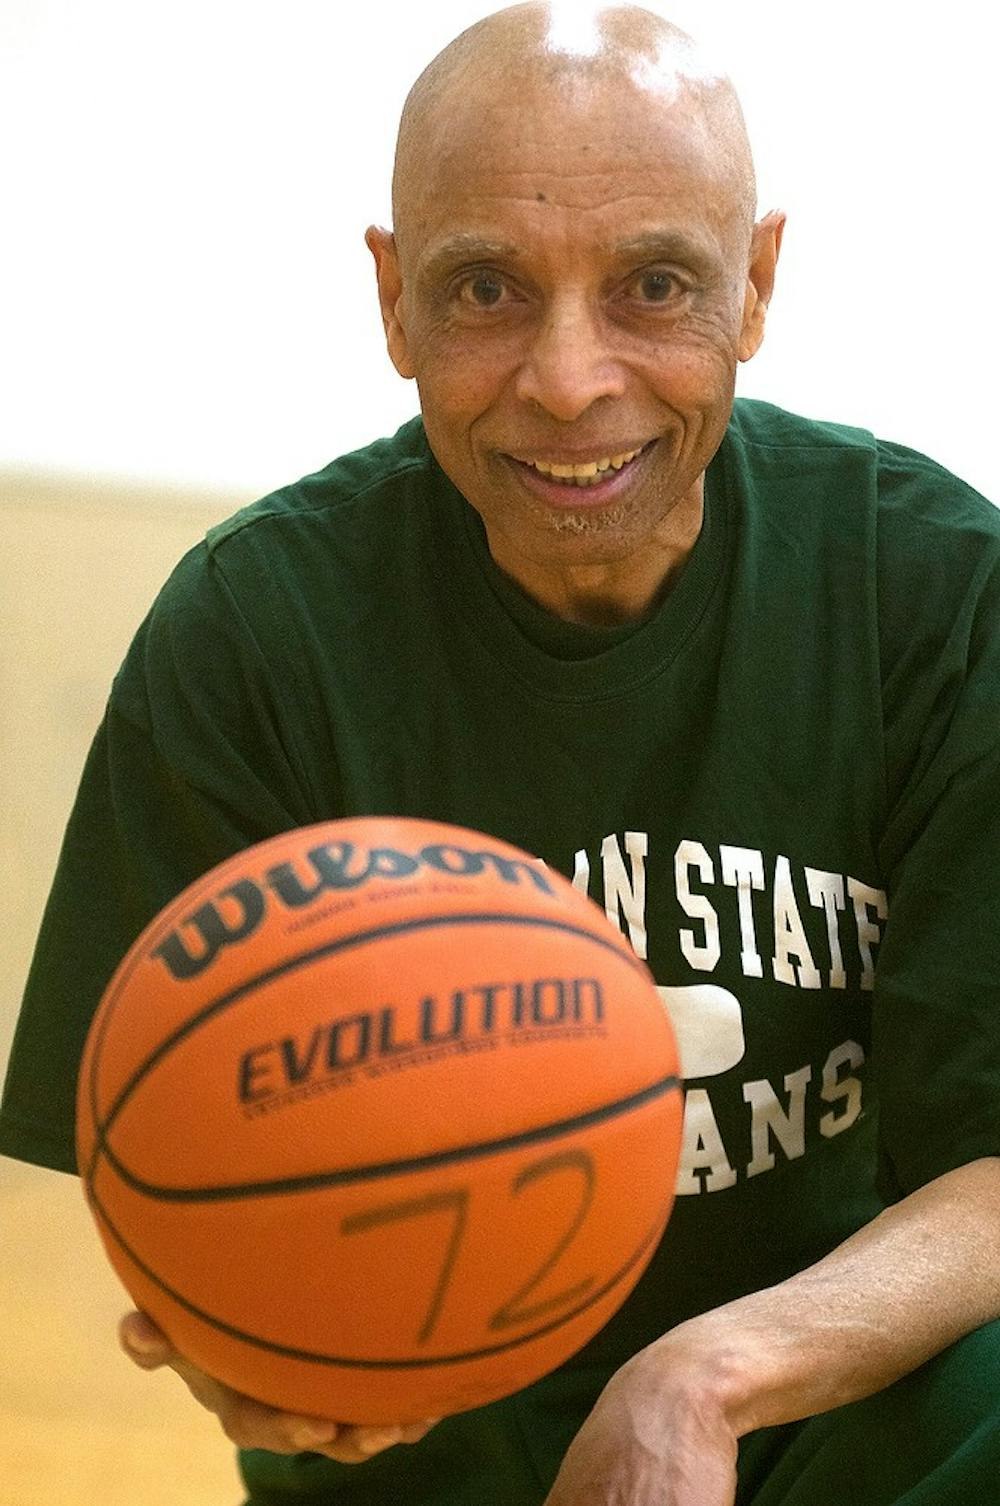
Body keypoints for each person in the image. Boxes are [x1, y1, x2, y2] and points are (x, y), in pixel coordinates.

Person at [3, 3, 1000, 1503]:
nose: (568, 377)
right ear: (394, 299)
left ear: (758, 284)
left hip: (832, 1386)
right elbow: (178, 1146)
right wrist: (255, 1335)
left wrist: (708, 1373)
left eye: (657, 283)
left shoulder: (932, 592)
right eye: (486, 289)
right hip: (429, 1408)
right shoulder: (255, 633)